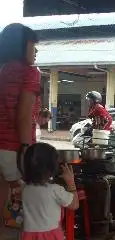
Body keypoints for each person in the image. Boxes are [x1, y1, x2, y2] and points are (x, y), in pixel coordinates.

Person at [0, 23, 41, 236]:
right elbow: (23, 115)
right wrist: (26, 150)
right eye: (33, 45)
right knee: (25, 208)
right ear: (21, 46)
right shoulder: (29, 72)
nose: (36, 51)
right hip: (13, 148)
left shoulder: (2, 70)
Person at [21, 143, 79, 240]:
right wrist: (71, 182)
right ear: (52, 167)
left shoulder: (25, 189)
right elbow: (74, 205)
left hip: (29, 235)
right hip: (50, 236)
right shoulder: (55, 190)